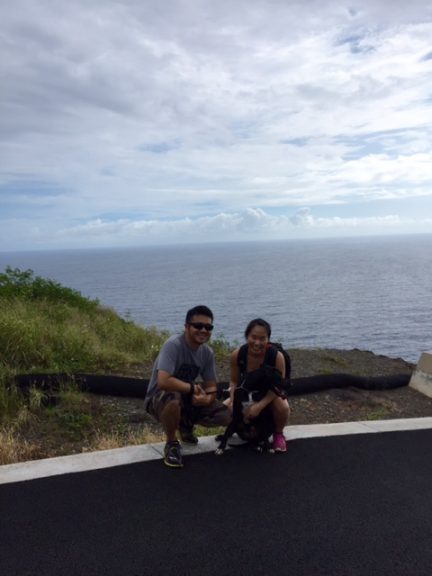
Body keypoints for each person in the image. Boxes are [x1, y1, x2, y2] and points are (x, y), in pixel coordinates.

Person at [144, 305, 231, 468]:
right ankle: (171, 443)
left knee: (226, 416)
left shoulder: (207, 353)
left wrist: (207, 399)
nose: (203, 330)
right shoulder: (173, 345)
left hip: (186, 397)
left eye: (208, 327)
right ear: (186, 327)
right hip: (159, 398)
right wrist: (192, 389)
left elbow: (211, 385)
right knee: (173, 397)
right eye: (198, 326)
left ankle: (185, 425)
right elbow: (163, 381)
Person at [227, 318, 290, 452]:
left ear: (268, 339)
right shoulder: (237, 355)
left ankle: (278, 434)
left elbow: (279, 386)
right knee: (225, 409)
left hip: (269, 392)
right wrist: (233, 399)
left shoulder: (277, 356)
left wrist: (260, 406)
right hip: (247, 392)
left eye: (262, 338)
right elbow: (234, 381)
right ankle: (237, 429)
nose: (257, 343)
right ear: (247, 336)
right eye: (253, 337)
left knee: (283, 407)